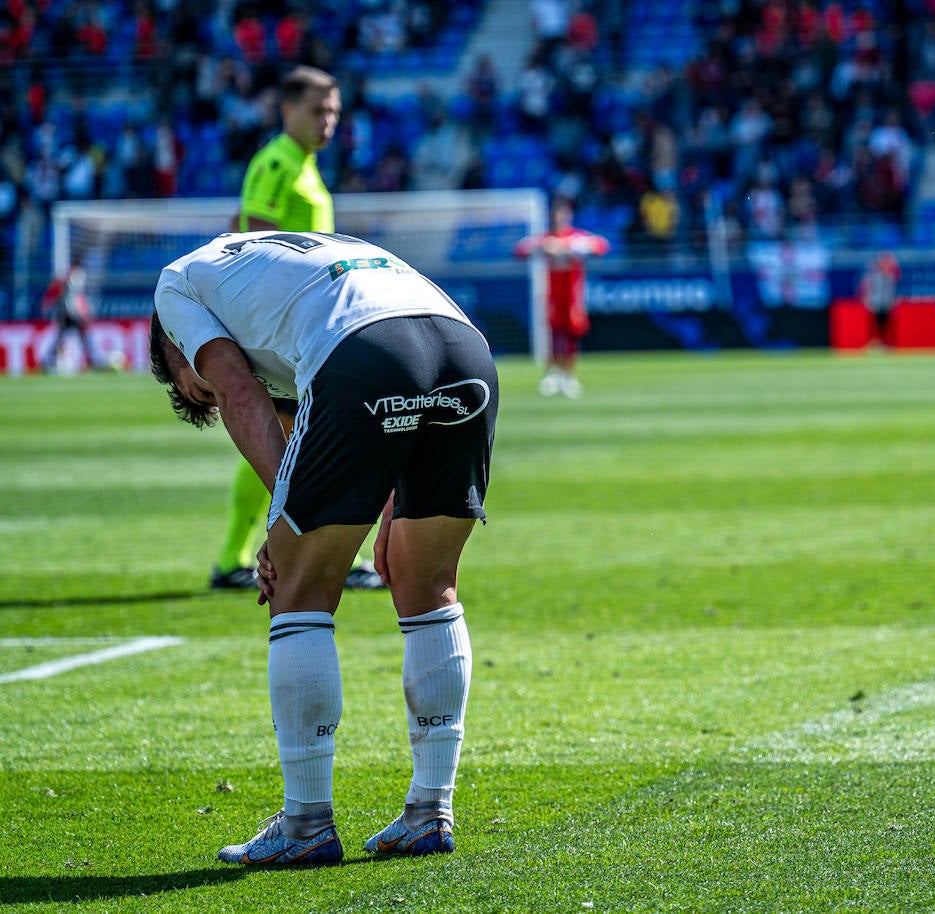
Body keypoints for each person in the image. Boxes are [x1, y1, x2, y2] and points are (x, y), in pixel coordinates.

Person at [149, 229, 499, 866]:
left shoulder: (175, 287)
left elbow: (240, 391)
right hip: (462, 348)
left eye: (190, 382)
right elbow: (319, 410)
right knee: (425, 583)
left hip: (362, 350)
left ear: (173, 348)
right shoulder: (280, 263)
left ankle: (306, 823)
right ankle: (430, 812)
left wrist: (283, 519)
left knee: (296, 586)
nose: (202, 385)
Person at [213, 65, 383, 591]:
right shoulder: (277, 162)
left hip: (313, 328)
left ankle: (246, 556)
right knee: (292, 439)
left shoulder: (304, 165)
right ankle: (237, 558)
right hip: (289, 330)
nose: (328, 121)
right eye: (317, 110)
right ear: (287, 110)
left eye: (333, 111)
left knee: (298, 440)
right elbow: (254, 238)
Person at [513, 197, 609, 397]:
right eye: (557, 215)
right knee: (553, 334)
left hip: (572, 295)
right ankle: (552, 374)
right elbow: (520, 250)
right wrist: (544, 247)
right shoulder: (546, 239)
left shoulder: (576, 238)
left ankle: (569, 376)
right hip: (551, 294)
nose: (560, 219)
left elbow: (601, 246)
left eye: (563, 215)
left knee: (571, 334)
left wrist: (570, 247)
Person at [39, 253, 104, 372]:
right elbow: (74, 297)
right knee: (78, 336)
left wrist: (47, 302)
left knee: (68, 336)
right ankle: (93, 361)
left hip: (67, 313)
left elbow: (60, 291)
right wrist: (83, 312)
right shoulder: (74, 276)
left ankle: (47, 360)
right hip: (69, 313)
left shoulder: (68, 276)